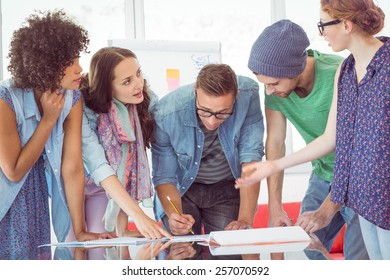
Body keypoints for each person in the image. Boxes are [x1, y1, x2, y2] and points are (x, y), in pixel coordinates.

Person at [237, 0, 389, 259]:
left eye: (323, 25)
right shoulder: (347, 69)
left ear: (346, 24)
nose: (320, 34)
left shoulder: (371, 66)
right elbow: (332, 139)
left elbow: (354, 147)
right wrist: (273, 167)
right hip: (353, 183)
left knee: (362, 260)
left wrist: (331, 205)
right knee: (315, 247)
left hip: (374, 185)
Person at [0, 10, 113, 260]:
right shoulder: (5, 98)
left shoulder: (72, 98)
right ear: (46, 63)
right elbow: (13, 170)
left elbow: (72, 168)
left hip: (35, 197)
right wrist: (48, 120)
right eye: (70, 61)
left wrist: (80, 230)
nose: (80, 68)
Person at [151, 64, 264, 237]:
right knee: (185, 253)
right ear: (196, 90)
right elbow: (164, 176)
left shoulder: (248, 94)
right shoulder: (165, 113)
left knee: (229, 252)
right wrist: (174, 216)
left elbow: (251, 155)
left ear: (236, 97)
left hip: (227, 188)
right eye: (204, 111)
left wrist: (245, 219)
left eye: (223, 113)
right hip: (182, 190)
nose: (212, 121)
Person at [80, 47, 171, 240]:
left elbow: (127, 168)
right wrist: (138, 216)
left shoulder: (144, 100)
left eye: (138, 74)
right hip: (82, 185)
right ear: (107, 88)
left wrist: (126, 227)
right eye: (127, 81)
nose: (139, 84)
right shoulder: (85, 110)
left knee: (110, 244)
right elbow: (100, 166)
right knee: (94, 246)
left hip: (109, 191)